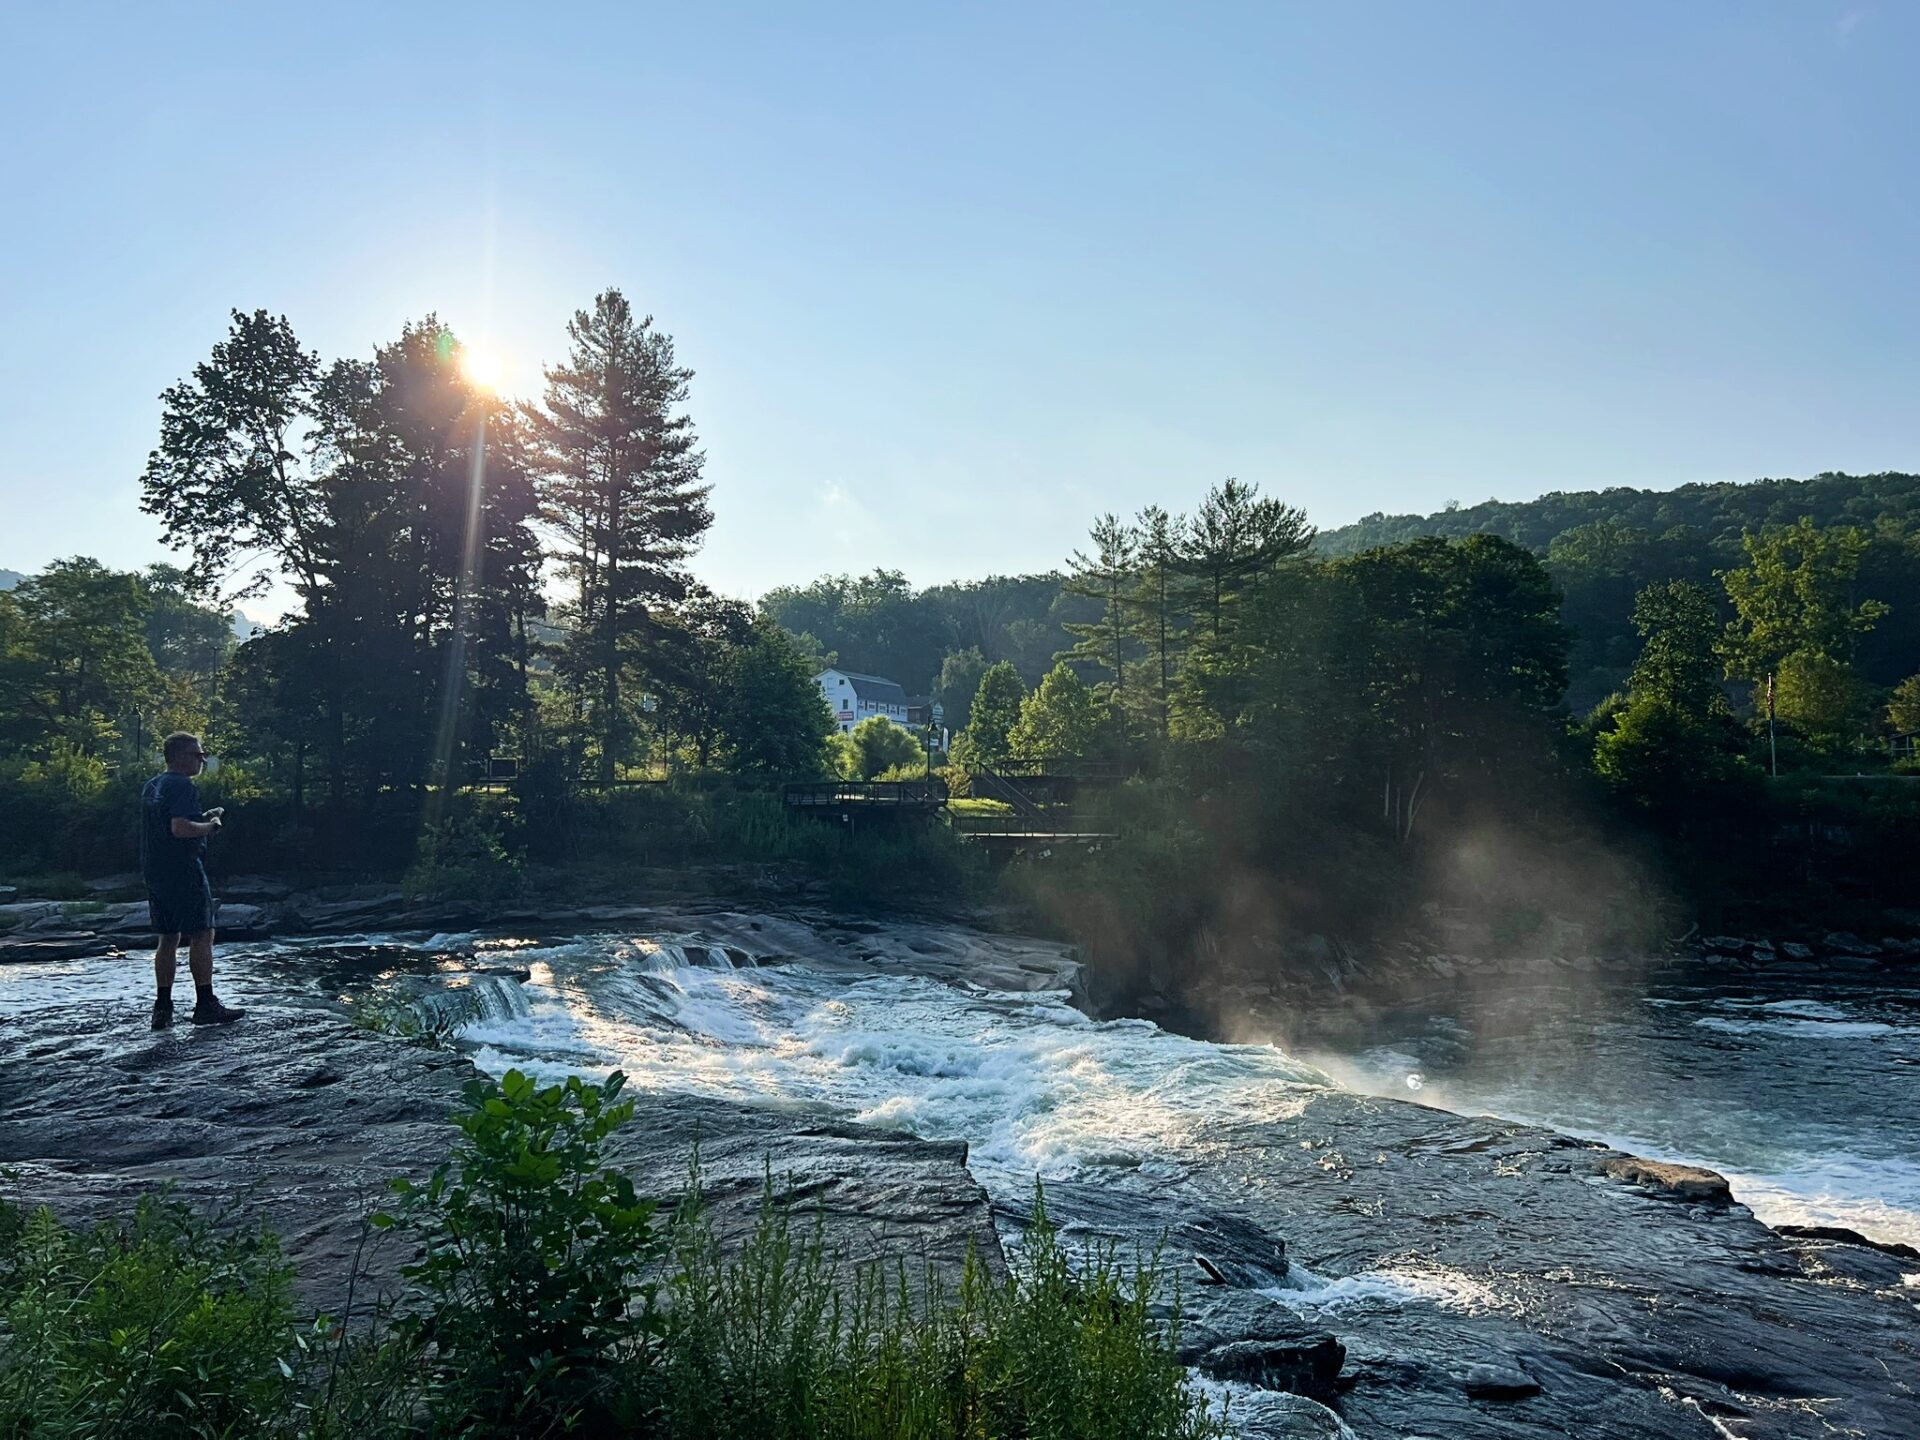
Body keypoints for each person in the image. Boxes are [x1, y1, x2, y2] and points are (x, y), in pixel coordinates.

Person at [141, 732, 243, 1028]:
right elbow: (180, 828)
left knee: (168, 937)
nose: (202, 759)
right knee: (202, 933)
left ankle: (162, 1008)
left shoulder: (152, 786)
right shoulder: (182, 784)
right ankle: (206, 1004)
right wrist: (211, 826)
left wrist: (202, 816)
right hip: (183, 871)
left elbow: (165, 825)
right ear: (182, 756)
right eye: (199, 755)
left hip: (154, 870)